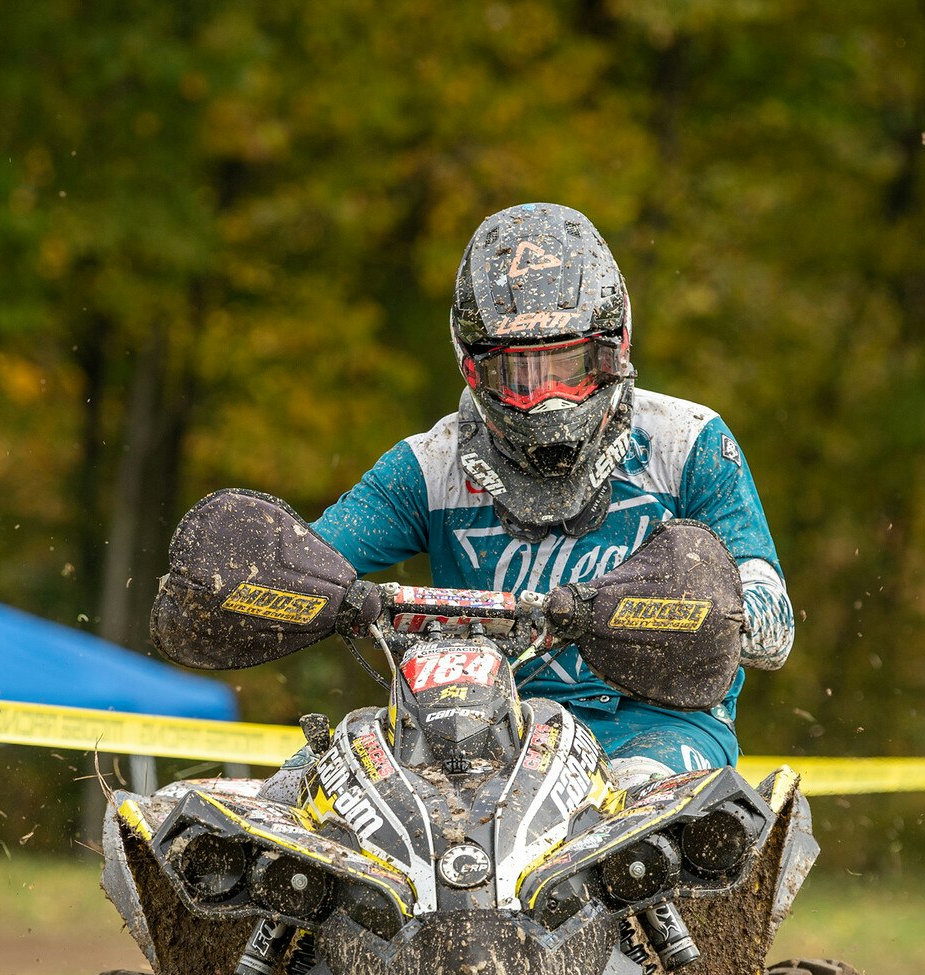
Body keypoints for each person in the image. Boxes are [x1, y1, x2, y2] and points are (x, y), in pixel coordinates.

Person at [308, 201, 792, 785]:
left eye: (570, 368)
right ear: (473, 368)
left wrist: (683, 611)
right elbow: (307, 564)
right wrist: (278, 587)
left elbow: (775, 625)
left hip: (655, 724)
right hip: (471, 732)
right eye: (522, 376)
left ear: (616, 348)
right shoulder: (429, 466)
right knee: (310, 790)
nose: (549, 399)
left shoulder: (686, 443)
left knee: (639, 806)